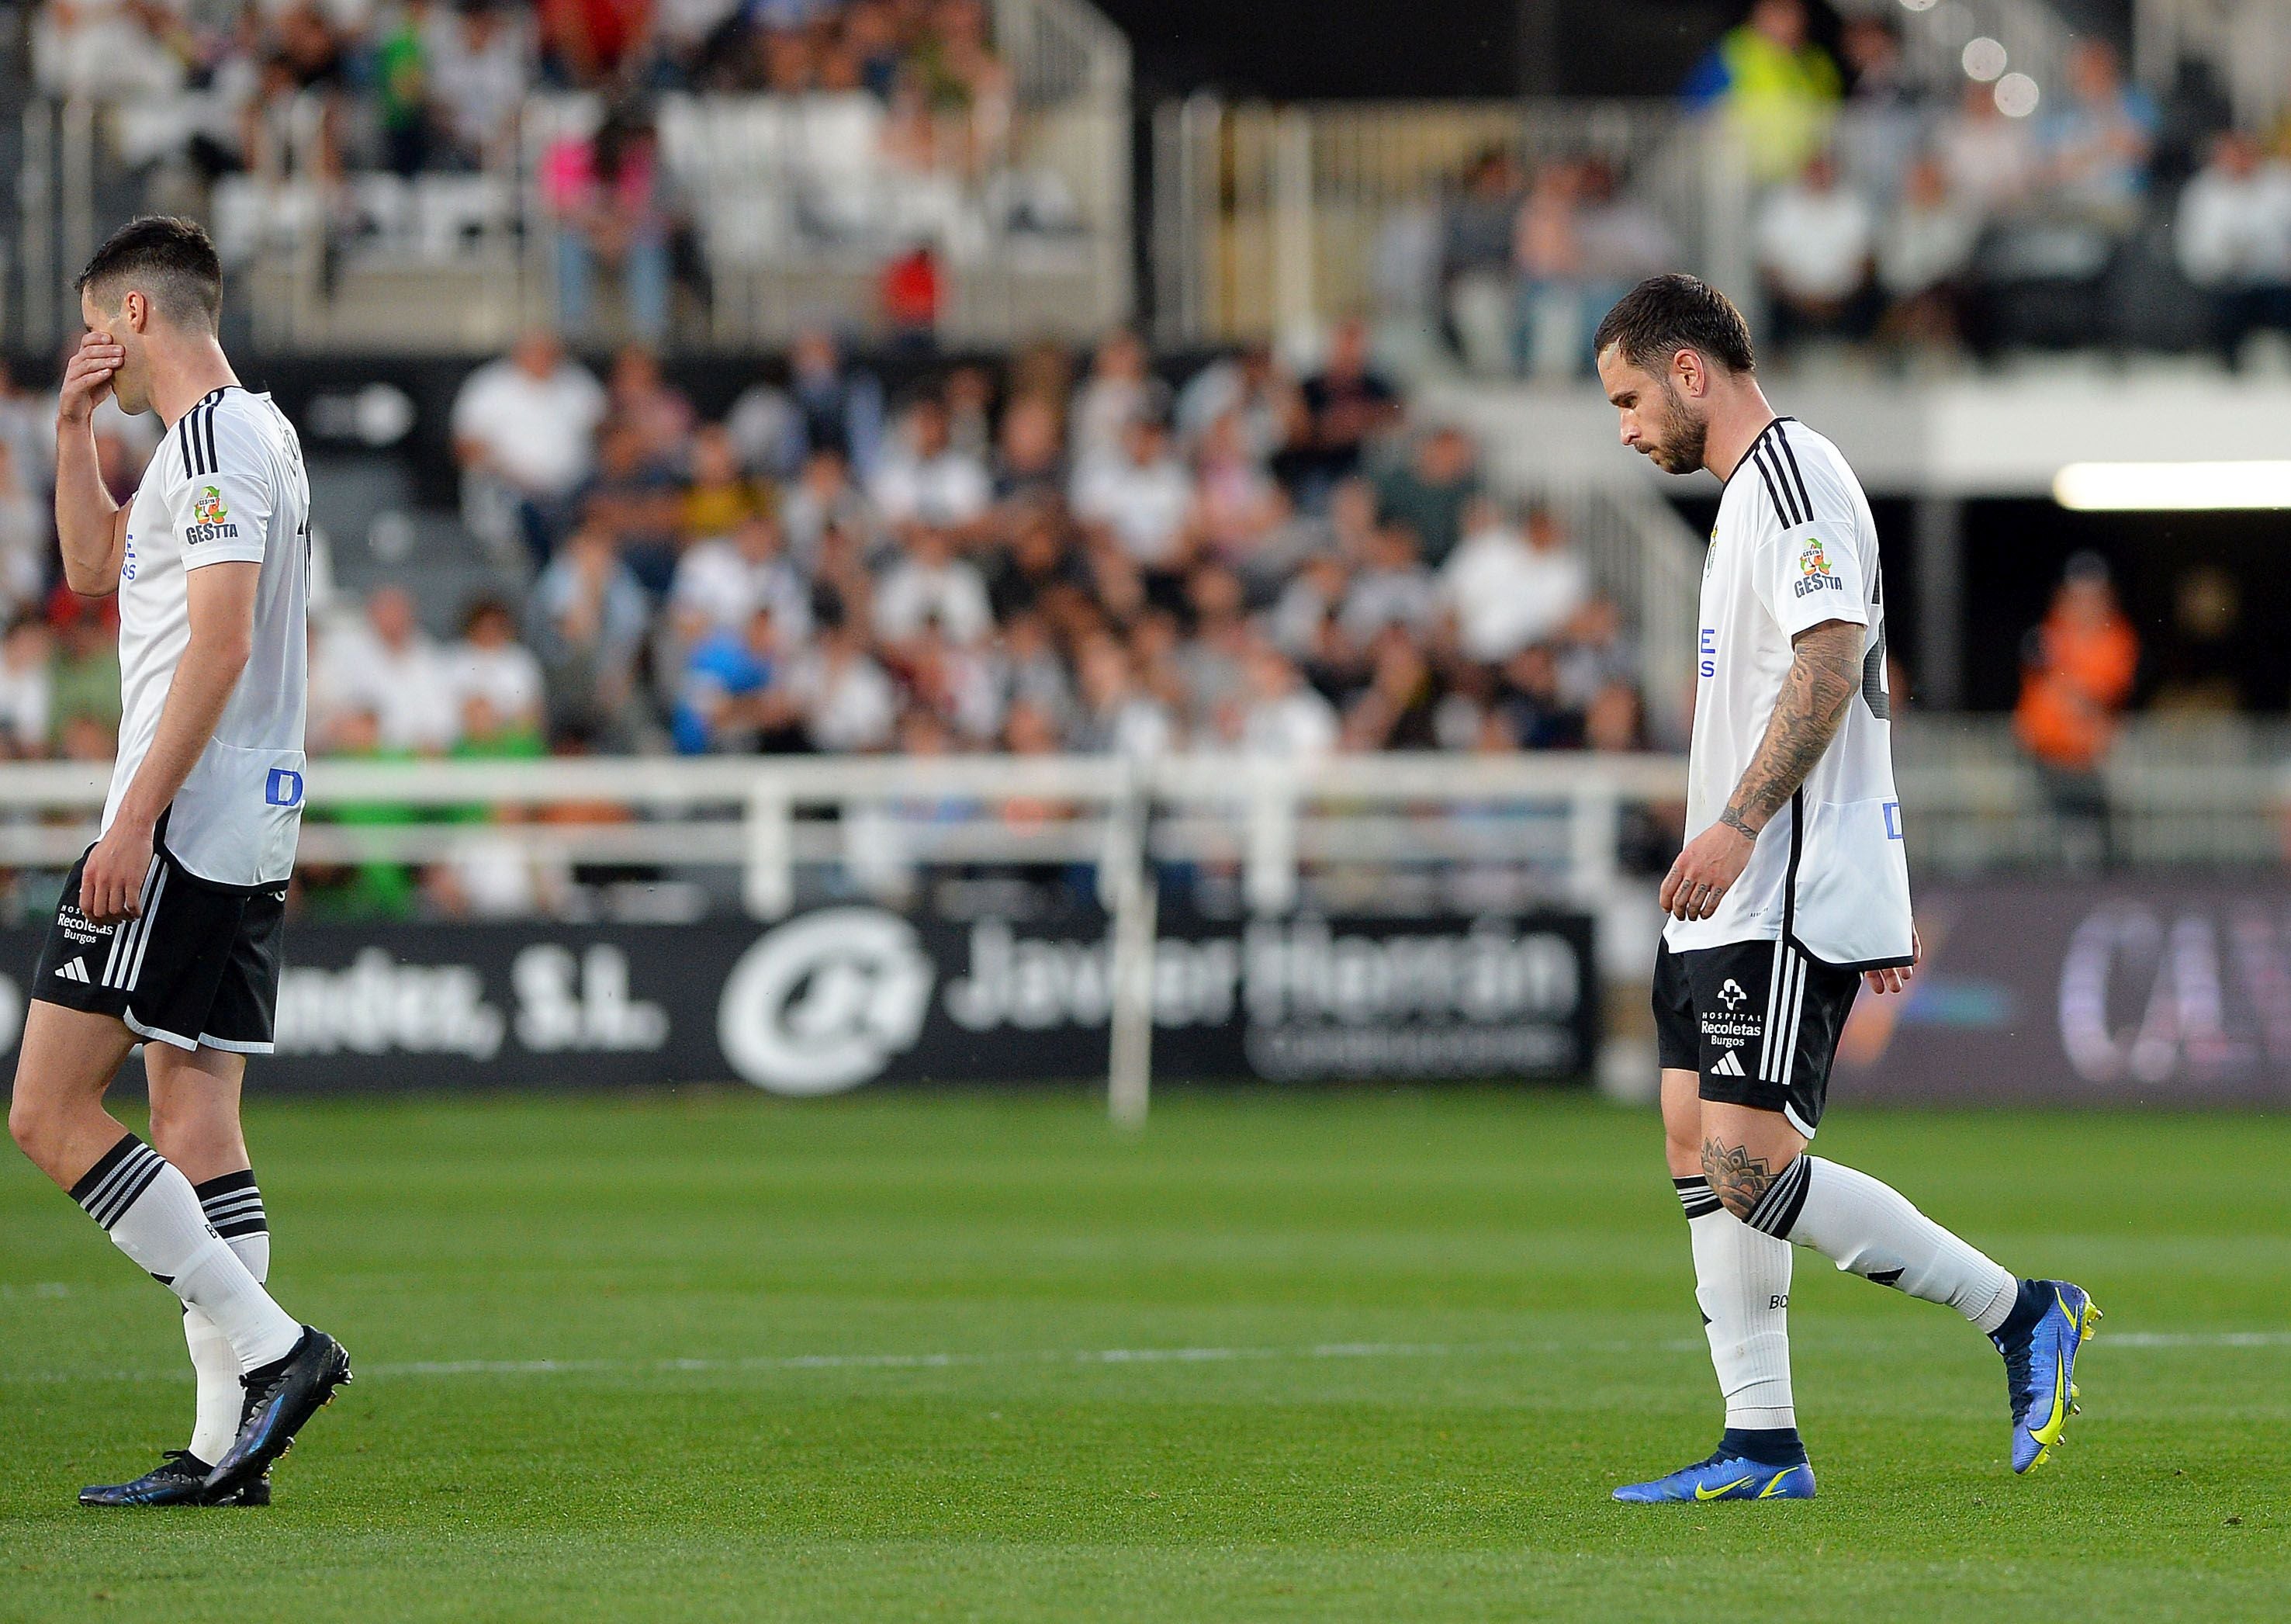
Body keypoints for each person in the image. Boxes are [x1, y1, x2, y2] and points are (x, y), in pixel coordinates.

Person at [1591, 274, 2095, 1503]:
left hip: (1773, 879)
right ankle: (1761, 1439)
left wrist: (1744, 825)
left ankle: (2022, 1311)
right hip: (1735, 883)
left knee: (1751, 1163)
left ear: (1690, 370)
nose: (1624, 426)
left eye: (1627, 397)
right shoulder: (1742, 504)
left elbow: (1833, 663)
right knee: (1688, 1138)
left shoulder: (1794, 479)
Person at [9, 217, 351, 1510]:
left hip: (185, 817)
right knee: (195, 1118)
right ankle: (226, 1447)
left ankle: (276, 1350)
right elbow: (99, 569)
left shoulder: (210, 444)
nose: (93, 341)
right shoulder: (240, 437)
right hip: (245, 811)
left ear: (137, 317)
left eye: (102, 322)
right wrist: (68, 432)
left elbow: (212, 644)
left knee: (45, 1111)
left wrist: (133, 816)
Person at [2013, 552, 2137, 870]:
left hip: (2090, 760)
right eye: (2078, 595)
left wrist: (2069, 688)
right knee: (2045, 840)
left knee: (2104, 839)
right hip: (2043, 757)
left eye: (2093, 595)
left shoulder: (2117, 639)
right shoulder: (2046, 635)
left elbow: (2100, 695)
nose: (2085, 603)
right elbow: (2041, 695)